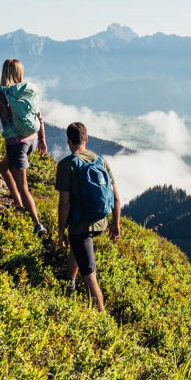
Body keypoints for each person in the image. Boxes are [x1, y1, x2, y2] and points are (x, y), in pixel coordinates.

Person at [56, 121, 121, 312]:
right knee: (77, 250)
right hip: (101, 221)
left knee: (90, 275)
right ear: (87, 139)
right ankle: (69, 283)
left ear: (68, 141)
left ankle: (102, 320)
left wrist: (60, 230)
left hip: (81, 225)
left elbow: (64, 203)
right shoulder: (101, 161)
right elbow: (116, 197)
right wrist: (115, 224)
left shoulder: (67, 165)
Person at [0, 58, 48, 234]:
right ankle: (19, 205)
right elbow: (39, 117)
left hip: (16, 144)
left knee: (23, 186)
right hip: (32, 140)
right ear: (20, 73)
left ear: (4, 72)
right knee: (3, 166)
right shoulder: (27, 91)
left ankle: (37, 224)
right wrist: (42, 141)